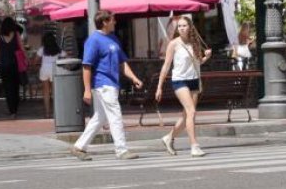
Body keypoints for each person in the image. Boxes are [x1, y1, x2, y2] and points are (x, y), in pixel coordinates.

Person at [71, 10, 144, 161]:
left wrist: (134, 78)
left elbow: (122, 62)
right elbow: (86, 66)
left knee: (100, 117)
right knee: (115, 115)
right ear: (104, 22)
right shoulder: (93, 40)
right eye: (112, 20)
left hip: (112, 83)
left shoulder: (113, 39)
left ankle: (79, 146)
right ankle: (121, 150)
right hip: (103, 84)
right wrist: (87, 90)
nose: (115, 22)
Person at [156, 15, 212, 157]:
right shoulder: (174, 44)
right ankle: (194, 146)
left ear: (190, 27)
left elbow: (197, 62)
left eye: (184, 25)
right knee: (191, 112)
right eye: (179, 26)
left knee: (187, 115)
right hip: (179, 81)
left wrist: (206, 57)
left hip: (193, 79)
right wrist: (159, 86)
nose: (181, 28)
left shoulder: (194, 42)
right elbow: (166, 66)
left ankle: (168, 137)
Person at [0, 17, 24, 119]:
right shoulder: (16, 35)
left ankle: (12, 111)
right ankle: (14, 109)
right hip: (15, 65)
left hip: (4, 65)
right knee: (15, 87)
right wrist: (27, 59)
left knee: (7, 88)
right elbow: (22, 48)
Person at [35, 32, 66, 119]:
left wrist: (36, 66)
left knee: (46, 93)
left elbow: (35, 60)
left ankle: (47, 113)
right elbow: (66, 56)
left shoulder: (42, 49)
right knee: (55, 92)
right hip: (54, 69)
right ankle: (57, 112)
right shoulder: (58, 49)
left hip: (44, 69)